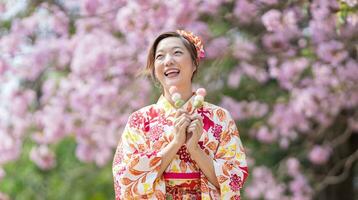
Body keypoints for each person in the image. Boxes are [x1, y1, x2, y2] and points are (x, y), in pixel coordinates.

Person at [112, 30, 249, 200]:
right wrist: (176, 143)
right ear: (155, 69)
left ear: (194, 63)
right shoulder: (139, 121)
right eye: (160, 56)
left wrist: (194, 149)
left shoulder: (220, 117)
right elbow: (126, 178)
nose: (168, 61)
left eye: (177, 52)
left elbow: (234, 180)